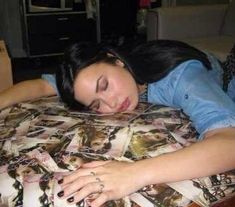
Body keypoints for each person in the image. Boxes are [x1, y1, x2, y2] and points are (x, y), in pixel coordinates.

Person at [1, 40, 235, 206]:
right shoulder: (91, 74)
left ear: (117, 60)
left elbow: (229, 142)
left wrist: (133, 174)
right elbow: (41, 86)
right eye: (96, 105)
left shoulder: (182, 76)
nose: (111, 104)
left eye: (104, 86)